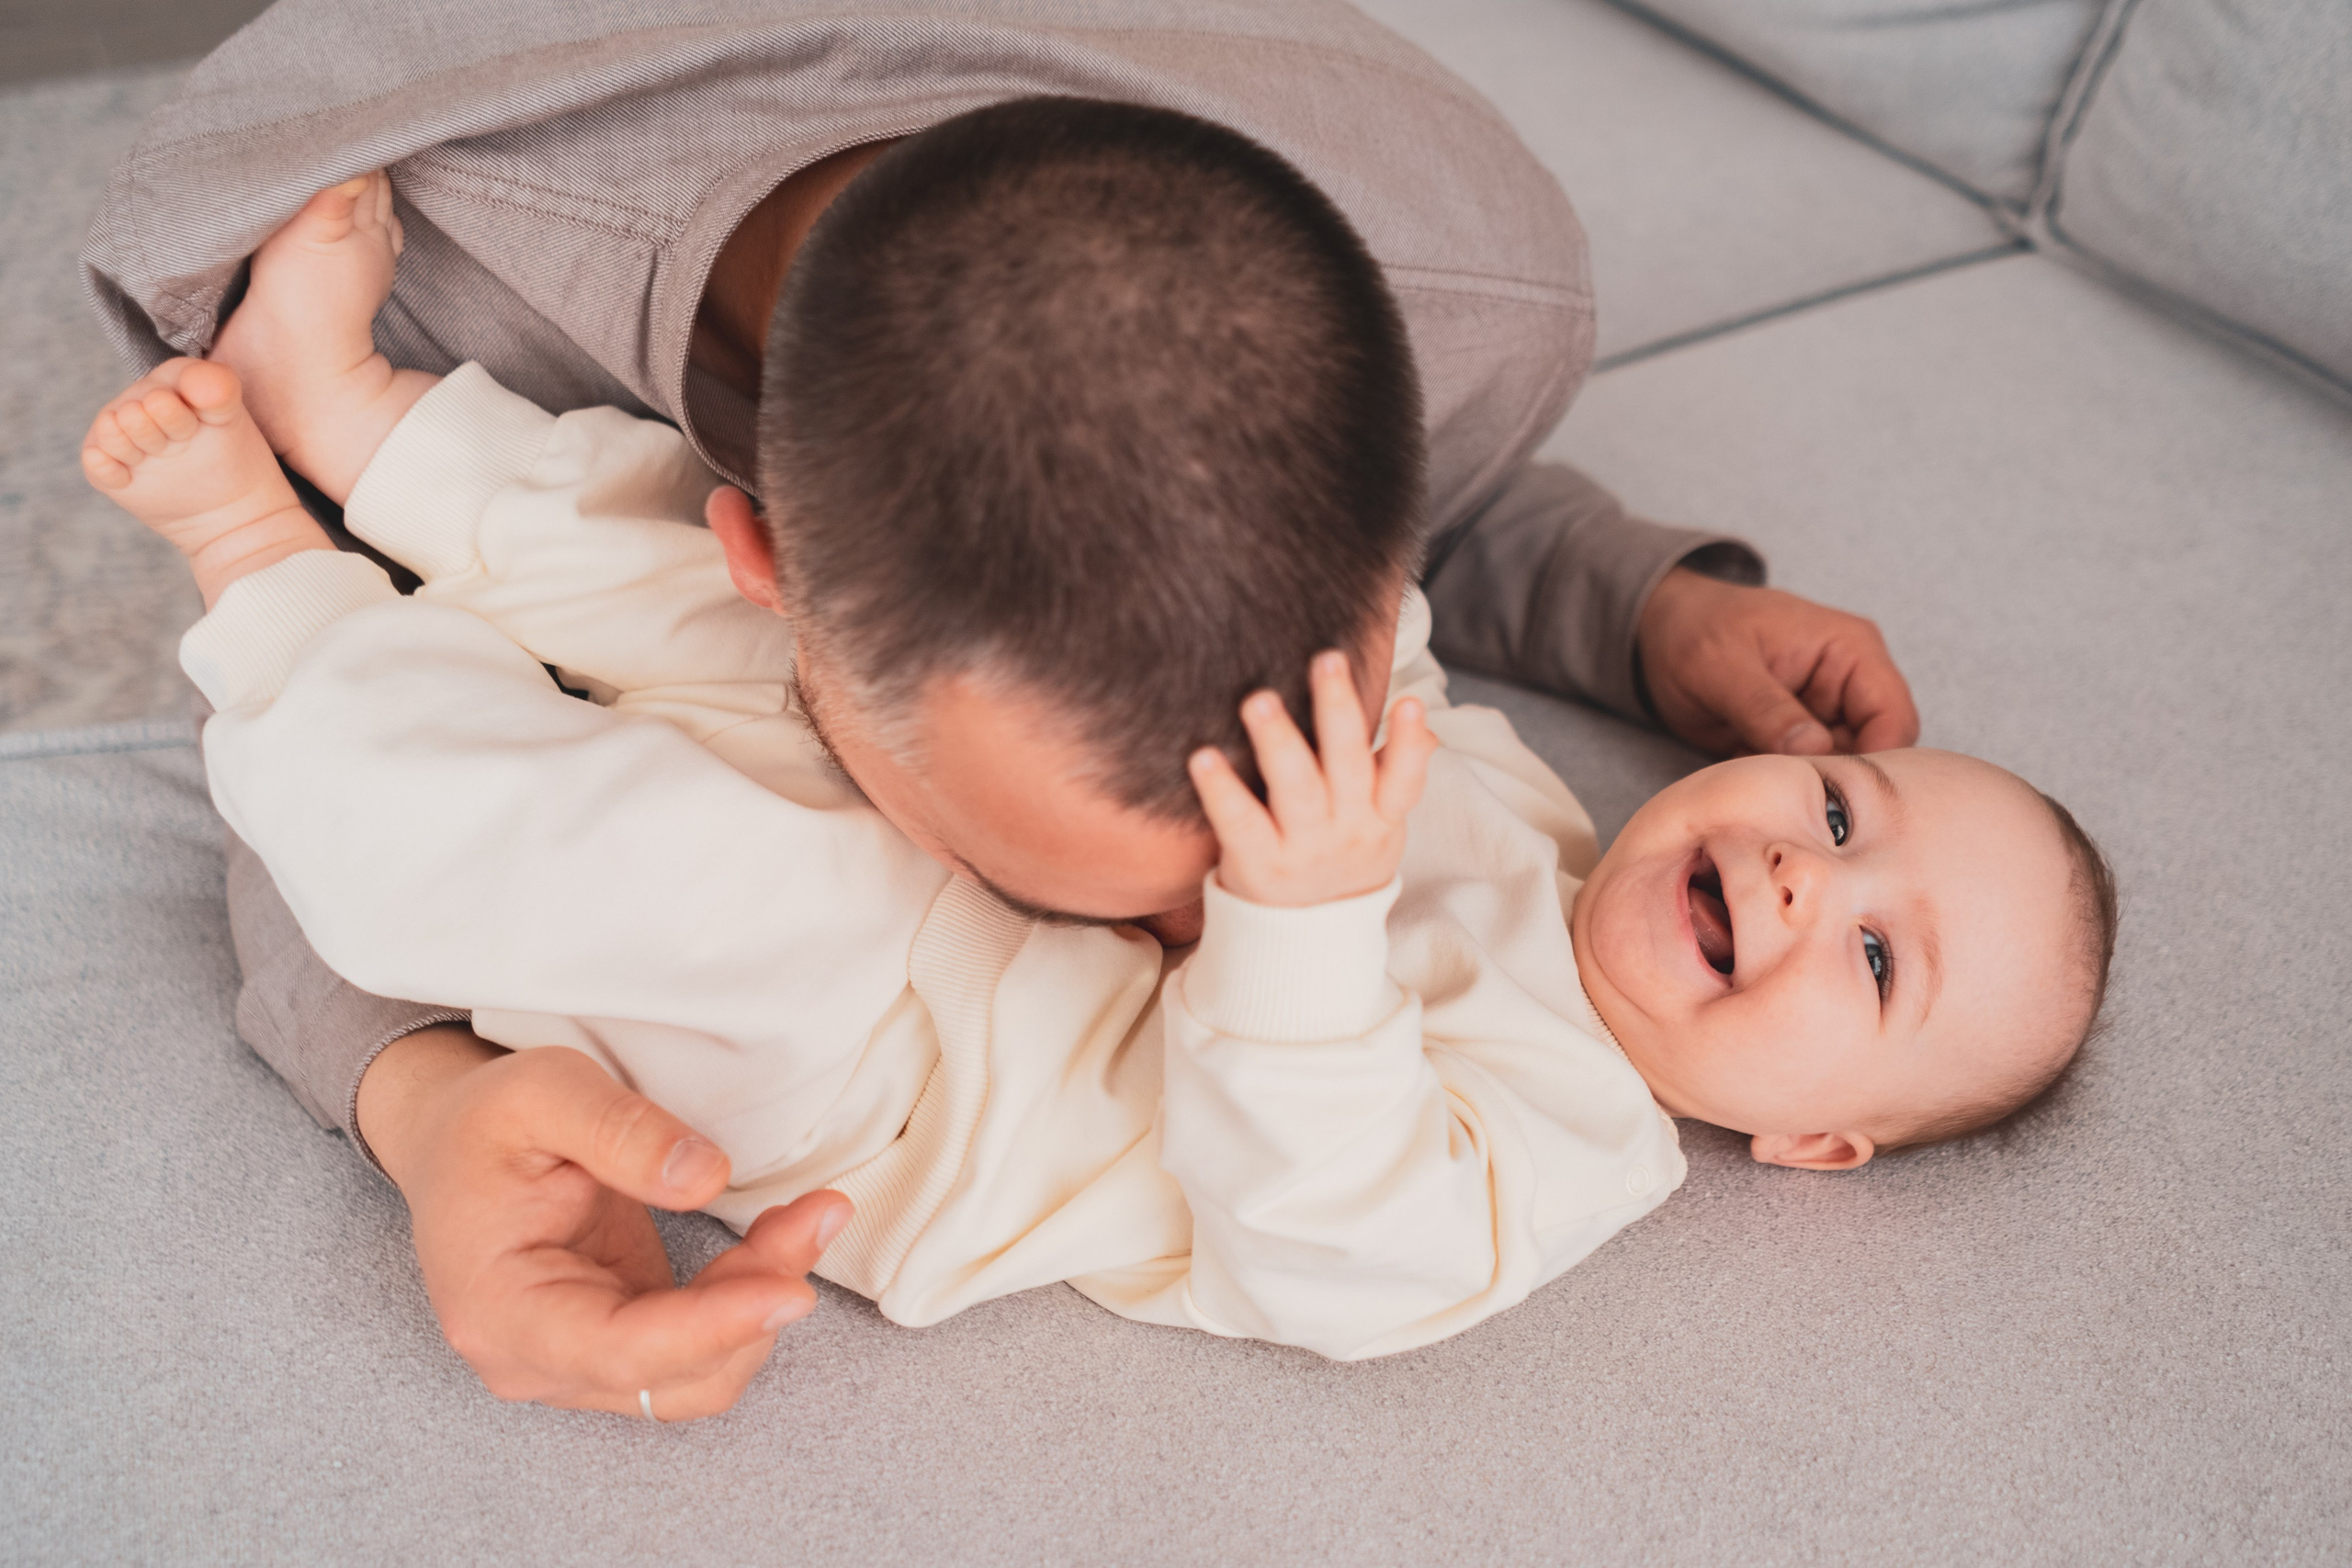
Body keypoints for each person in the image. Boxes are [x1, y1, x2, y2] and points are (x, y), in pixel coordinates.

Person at [85, 1, 1919, 1413]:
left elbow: (1338, 1239)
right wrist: (407, 1084)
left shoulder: (1463, 287)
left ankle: (288, 515)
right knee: (629, 596)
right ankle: (339, 437)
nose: (1797, 875)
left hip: (900, 1066)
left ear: (1821, 1139)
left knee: (598, 847)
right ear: (775, 549)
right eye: (1846, 829)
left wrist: (1639, 600)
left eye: (1880, 966)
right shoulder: (286, 193)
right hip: (582, 363)